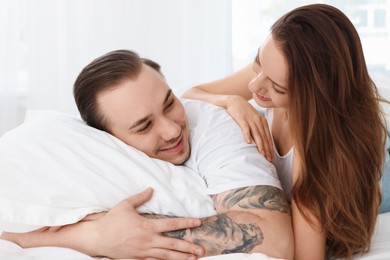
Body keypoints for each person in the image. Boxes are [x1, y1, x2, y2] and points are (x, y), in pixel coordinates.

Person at [0, 50, 293, 260]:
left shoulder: (213, 125)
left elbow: (276, 240)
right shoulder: (107, 155)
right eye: (144, 127)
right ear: (111, 139)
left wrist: (96, 237)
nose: (170, 131)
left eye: (168, 104)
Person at [183, 3, 389, 260]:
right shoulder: (273, 69)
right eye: (258, 64)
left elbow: (305, 255)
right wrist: (232, 101)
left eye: (277, 89)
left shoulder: (316, 152)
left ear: (312, 97)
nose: (254, 84)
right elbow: (191, 96)